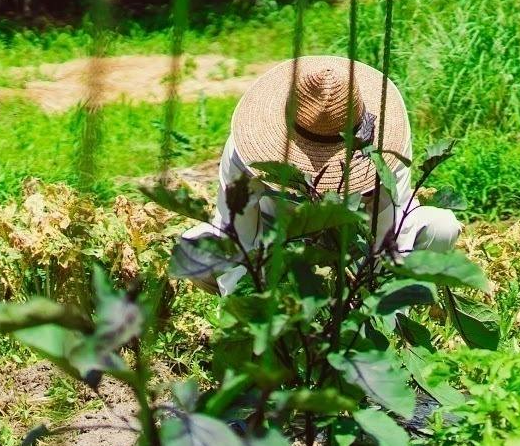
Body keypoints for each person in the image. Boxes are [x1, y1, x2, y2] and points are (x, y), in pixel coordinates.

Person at [174, 56, 461, 289]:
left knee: (441, 227)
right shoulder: (243, 153)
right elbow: (241, 242)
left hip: (355, 235)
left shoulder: (385, 143)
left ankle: (404, 297)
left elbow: (388, 232)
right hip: (276, 239)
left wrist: (373, 312)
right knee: (192, 250)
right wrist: (251, 324)